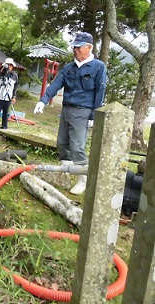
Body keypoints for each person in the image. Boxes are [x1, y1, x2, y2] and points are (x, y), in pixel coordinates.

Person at [33, 32, 107, 195]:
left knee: (77, 147)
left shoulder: (98, 67)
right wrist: (42, 100)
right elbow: (56, 85)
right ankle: (66, 174)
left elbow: (100, 92)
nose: (75, 50)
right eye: (74, 47)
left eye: (79, 47)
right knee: (62, 144)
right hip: (66, 109)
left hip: (83, 111)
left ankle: (83, 180)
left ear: (89, 47)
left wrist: (94, 115)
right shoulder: (69, 68)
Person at [0, 58, 19, 129]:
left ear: (12, 66)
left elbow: (15, 86)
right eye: (8, 65)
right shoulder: (0, 73)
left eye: (10, 65)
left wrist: (14, 96)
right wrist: (1, 72)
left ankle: (4, 126)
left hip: (8, 97)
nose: (9, 66)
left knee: (6, 113)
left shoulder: (14, 75)